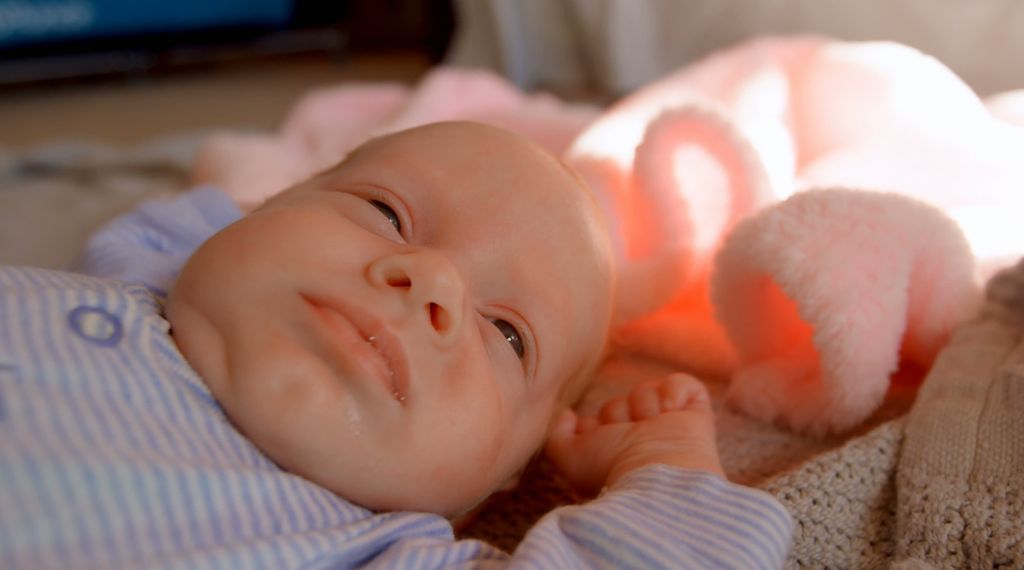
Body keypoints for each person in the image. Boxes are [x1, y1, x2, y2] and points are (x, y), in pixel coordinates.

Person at [0, 122, 792, 568]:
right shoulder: (149, 269)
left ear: (500, 480)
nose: (433, 281)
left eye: (509, 334)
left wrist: (665, 470)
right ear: (253, 216)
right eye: (386, 212)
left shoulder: (374, 551)